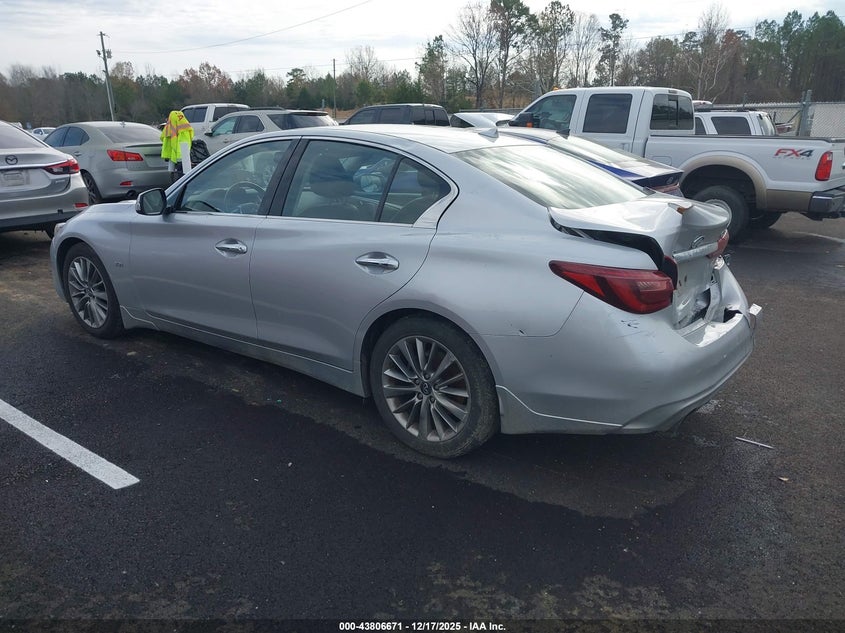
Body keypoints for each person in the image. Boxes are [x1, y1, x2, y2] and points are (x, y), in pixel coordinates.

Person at [160, 110, 194, 181]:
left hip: (181, 160)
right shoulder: (182, 128)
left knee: (182, 179)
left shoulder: (179, 130)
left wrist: (179, 158)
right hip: (179, 159)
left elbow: (182, 145)